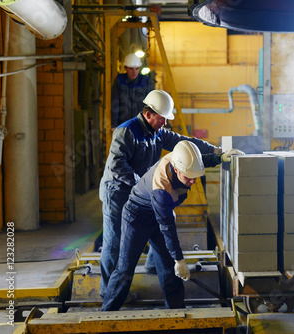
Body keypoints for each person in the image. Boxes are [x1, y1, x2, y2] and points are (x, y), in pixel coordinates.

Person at [99, 89, 223, 299]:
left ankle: (153, 267)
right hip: (118, 192)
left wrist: (218, 151)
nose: (165, 123)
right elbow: (118, 166)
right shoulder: (126, 132)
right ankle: (107, 291)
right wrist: (143, 187)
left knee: (157, 226)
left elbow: (186, 143)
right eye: (162, 118)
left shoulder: (157, 132)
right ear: (149, 114)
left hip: (140, 190)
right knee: (115, 241)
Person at [102, 141, 243, 311]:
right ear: (176, 169)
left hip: (158, 215)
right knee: (125, 269)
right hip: (136, 218)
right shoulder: (162, 189)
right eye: (188, 177)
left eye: (195, 176)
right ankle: (107, 313)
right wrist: (180, 260)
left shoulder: (180, 161)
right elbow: (167, 227)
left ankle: (176, 311)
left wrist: (220, 157)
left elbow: (197, 163)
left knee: (169, 268)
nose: (192, 181)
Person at [111, 53, 154, 129]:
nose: (134, 72)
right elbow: (115, 103)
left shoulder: (146, 81)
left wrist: (151, 124)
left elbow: (151, 105)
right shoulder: (120, 80)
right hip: (124, 125)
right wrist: (114, 125)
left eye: (137, 68)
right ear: (125, 68)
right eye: (131, 69)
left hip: (142, 125)